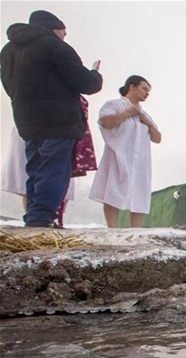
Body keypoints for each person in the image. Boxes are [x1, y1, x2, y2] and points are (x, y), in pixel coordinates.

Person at [0, 9, 102, 228]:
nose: (64, 37)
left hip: (27, 119)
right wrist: (96, 74)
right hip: (59, 120)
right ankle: (42, 217)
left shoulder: (8, 50)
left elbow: (8, 84)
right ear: (55, 29)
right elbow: (86, 83)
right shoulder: (56, 47)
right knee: (54, 168)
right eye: (64, 33)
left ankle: (35, 216)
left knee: (35, 168)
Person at [89, 75, 161, 228]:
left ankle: (135, 230)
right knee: (113, 189)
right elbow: (105, 122)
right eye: (144, 88)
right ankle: (112, 229)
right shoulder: (114, 105)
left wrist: (146, 121)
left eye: (149, 90)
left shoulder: (144, 114)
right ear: (132, 87)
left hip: (140, 160)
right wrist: (129, 113)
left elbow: (157, 138)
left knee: (139, 192)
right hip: (119, 155)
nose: (147, 93)